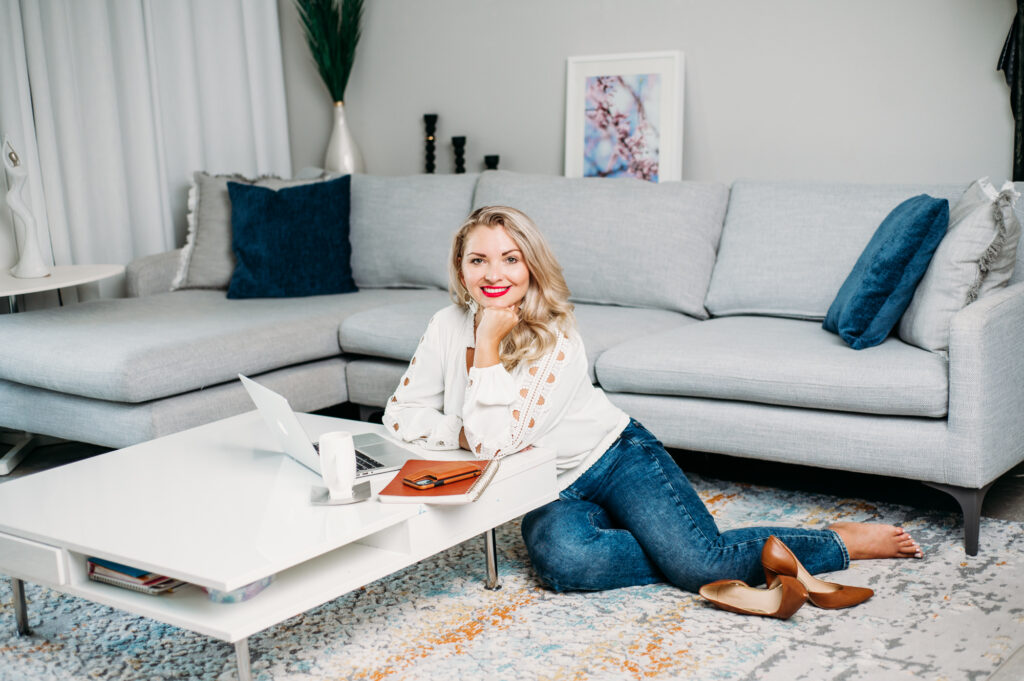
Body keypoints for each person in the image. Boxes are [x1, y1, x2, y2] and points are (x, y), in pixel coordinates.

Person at [383, 206, 922, 612]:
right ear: (460, 266)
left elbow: (494, 444)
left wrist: (485, 356)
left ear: (531, 266)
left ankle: (832, 541)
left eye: (510, 258)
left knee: (700, 565)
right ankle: (679, 544)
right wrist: (459, 426)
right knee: (562, 562)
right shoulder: (445, 326)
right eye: (478, 259)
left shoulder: (556, 335)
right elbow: (401, 413)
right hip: (547, 484)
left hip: (615, 458)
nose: (493, 274)